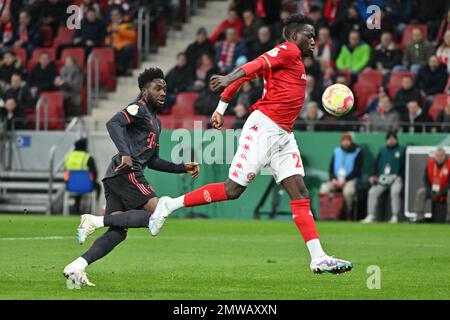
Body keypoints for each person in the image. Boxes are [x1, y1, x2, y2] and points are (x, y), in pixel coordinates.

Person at [150, 15, 353, 275]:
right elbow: (252, 66)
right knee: (232, 190)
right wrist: (226, 78)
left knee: (300, 193)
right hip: (264, 128)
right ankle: (168, 205)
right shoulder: (288, 50)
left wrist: (221, 107)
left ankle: (318, 257)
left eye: (315, 36)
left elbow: (248, 75)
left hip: (283, 134)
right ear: (293, 37)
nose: (313, 40)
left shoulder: (292, 60)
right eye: (309, 35)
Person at [63, 68, 200, 287]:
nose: (163, 92)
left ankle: (77, 266)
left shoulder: (156, 122)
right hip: (127, 170)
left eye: (165, 88)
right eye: (157, 88)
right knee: (156, 212)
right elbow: (113, 123)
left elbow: (153, 160)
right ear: (144, 90)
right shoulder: (139, 108)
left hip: (118, 174)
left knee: (118, 233)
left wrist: (181, 168)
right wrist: (126, 153)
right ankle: (94, 220)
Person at [362, 131, 404, 223]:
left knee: (395, 192)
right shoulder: (382, 150)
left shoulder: (401, 150)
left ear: (396, 140)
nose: (391, 140)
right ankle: (371, 215)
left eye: (393, 138)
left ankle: (395, 216)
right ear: (386, 140)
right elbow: (375, 164)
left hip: (396, 178)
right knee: (372, 192)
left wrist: (400, 177)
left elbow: (404, 166)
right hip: (382, 178)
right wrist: (373, 175)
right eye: (389, 138)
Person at [319, 132, 363, 218]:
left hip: (349, 180)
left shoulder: (358, 152)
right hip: (336, 181)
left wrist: (345, 180)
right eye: (344, 141)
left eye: (348, 141)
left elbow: (357, 171)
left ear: (351, 142)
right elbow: (331, 169)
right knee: (324, 188)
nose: (346, 143)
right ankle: (327, 213)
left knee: (348, 192)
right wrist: (333, 179)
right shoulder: (336, 151)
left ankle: (347, 214)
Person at [64, 138, 99, 215]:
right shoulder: (87, 157)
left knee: (77, 184)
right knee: (98, 186)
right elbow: (95, 174)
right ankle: (92, 208)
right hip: (86, 186)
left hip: (71, 186)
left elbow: (66, 172)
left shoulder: (68, 157)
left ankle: (77, 207)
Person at [414, 148, 450, 223]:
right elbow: (425, 179)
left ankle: (448, 218)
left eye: (441, 156)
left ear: (445, 156)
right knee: (421, 192)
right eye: (437, 155)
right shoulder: (430, 163)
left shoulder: (449, 164)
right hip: (432, 189)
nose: (439, 158)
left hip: (445, 190)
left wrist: (441, 192)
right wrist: (429, 190)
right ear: (434, 156)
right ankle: (419, 218)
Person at [106, 7, 136, 76]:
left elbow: (133, 35)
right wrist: (108, 41)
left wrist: (119, 29)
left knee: (128, 48)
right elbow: (106, 37)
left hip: (123, 45)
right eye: (112, 15)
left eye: (116, 15)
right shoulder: (109, 26)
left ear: (120, 15)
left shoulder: (127, 23)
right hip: (112, 45)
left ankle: (124, 70)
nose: (114, 17)